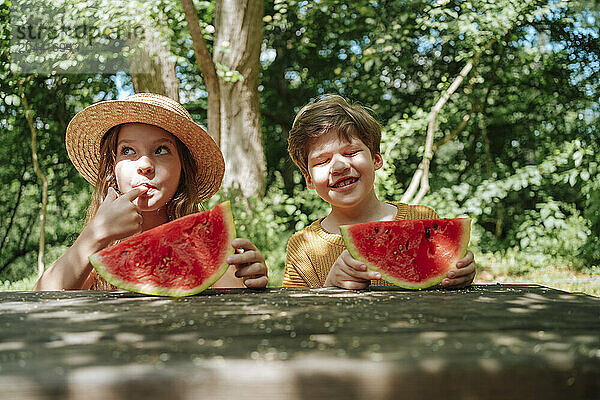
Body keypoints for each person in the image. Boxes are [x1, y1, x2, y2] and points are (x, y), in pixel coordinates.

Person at [34, 93, 267, 291]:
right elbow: (39, 299)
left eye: (161, 149)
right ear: (112, 168)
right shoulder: (98, 248)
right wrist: (95, 233)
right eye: (127, 150)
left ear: (183, 169)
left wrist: (249, 282)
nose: (145, 164)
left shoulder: (205, 248)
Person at [283, 94, 476, 289]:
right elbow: (298, 316)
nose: (339, 166)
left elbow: (442, 295)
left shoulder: (423, 218)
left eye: (351, 153)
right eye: (322, 161)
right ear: (309, 180)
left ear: (376, 159)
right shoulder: (303, 247)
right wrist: (329, 289)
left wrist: (459, 276)